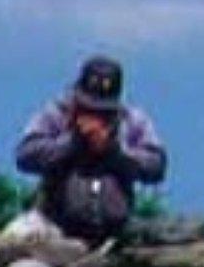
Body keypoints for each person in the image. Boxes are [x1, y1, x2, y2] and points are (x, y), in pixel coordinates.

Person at [13, 53, 167, 244]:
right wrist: (72, 144)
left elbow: (156, 165)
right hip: (54, 229)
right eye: (88, 108)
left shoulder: (131, 121)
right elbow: (25, 155)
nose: (94, 115)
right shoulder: (57, 114)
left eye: (102, 111)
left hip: (115, 233)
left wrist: (115, 152)